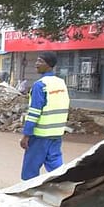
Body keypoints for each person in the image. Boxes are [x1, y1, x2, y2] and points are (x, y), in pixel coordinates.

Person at [19, 52, 70, 180]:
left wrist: (26, 135)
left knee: (30, 169)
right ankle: (63, 187)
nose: (36, 64)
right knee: (56, 168)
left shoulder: (40, 85)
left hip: (40, 135)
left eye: (40, 61)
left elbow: (34, 112)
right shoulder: (60, 83)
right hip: (56, 133)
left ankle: (27, 193)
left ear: (49, 65)